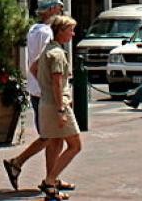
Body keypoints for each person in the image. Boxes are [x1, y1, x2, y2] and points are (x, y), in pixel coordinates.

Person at [3, 0, 73, 195]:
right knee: (50, 137)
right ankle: (18, 163)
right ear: (51, 9)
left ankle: (52, 178)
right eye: (58, 8)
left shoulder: (34, 30)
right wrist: (52, 91)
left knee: (53, 138)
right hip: (45, 92)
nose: (60, 11)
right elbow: (40, 64)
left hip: (37, 90)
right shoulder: (46, 34)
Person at [36, 15, 82, 201]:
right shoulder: (57, 54)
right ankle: (50, 180)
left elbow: (33, 69)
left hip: (46, 102)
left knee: (56, 143)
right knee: (75, 145)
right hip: (56, 104)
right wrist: (61, 109)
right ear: (61, 31)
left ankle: (52, 184)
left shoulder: (47, 50)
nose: (73, 33)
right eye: (70, 30)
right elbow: (56, 83)